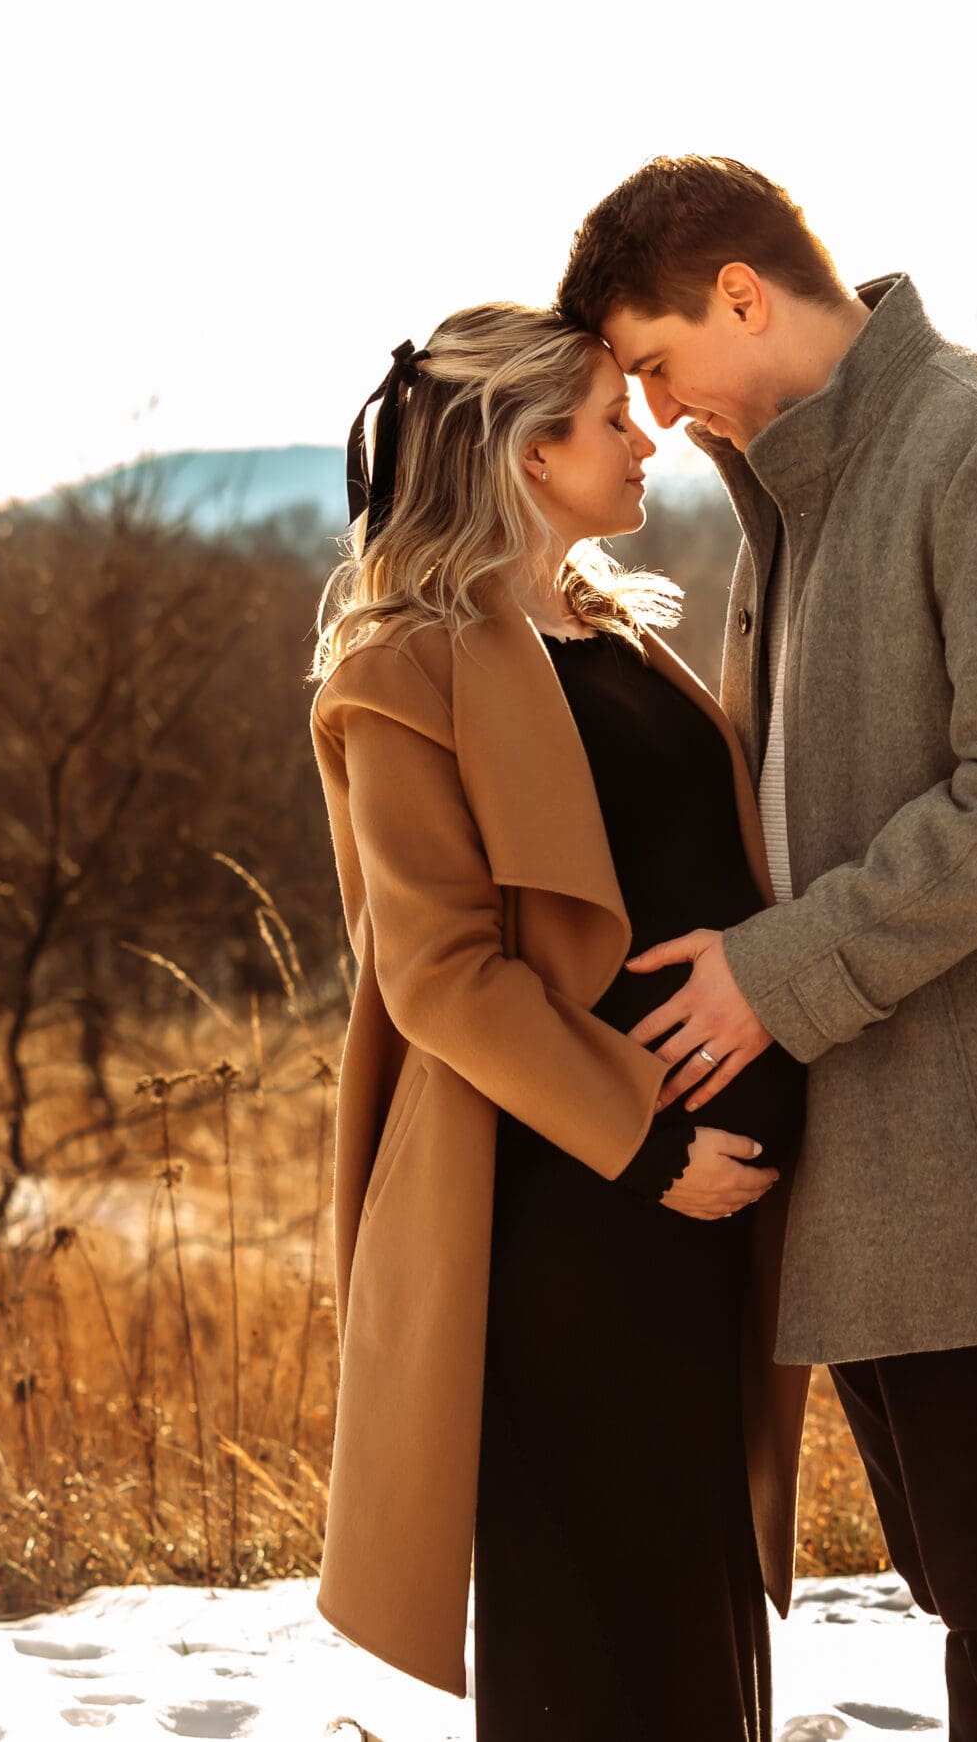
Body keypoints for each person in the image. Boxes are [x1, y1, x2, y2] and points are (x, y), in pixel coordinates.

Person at [556, 157, 977, 1741]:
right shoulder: (813, 478)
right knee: (962, 1568)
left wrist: (773, 973)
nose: (653, 413)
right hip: (880, 1113)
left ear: (742, 295)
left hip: (976, 1131)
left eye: (657, 364)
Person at [304, 300, 811, 1739]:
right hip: (570, 1216)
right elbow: (443, 973)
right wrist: (653, 1148)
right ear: (526, 452)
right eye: (606, 418)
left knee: (695, 1611)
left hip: (697, 1224)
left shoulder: (612, 635)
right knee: (596, 1628)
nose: (645, 438)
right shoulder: (402, 668)